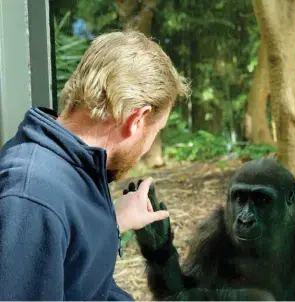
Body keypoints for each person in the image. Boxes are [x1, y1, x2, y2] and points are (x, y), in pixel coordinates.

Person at [0, 30, 190, 300]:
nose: (148, 145)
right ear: (137, 119)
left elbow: (77, 281)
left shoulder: (73, 168)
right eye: (155, 132)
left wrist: (112, 222)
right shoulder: (32, 197)